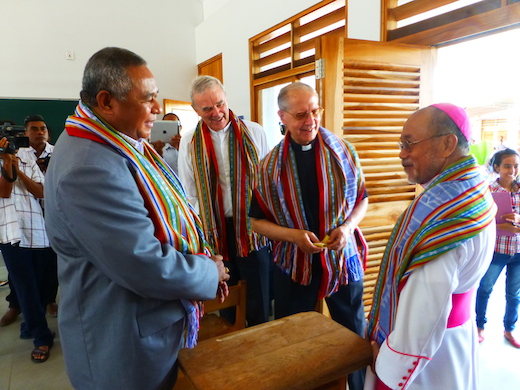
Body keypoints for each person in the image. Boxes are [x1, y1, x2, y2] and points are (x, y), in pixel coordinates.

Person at [44, 47, 229, 390]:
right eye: (148, 99)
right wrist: (208, 270)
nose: (157, 109)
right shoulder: (89, 166)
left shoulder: (112, 142)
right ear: (107, 102)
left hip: (144, 329)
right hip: (121, 346)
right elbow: (143, 263)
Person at [365, 103, 496, 390]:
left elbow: (424, 313)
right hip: (453, 336)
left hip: (430, 358)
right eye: (401, 144)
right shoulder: (472, 185)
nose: (402, 153)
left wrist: (389, 366)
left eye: (409, 144)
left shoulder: (444, 218)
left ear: (448, 143)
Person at [249, 82, 368, 390]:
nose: (311, 120)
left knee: (353, 331)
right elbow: (256, 223)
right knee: (293, 337)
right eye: (301, 113)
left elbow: (363, 200)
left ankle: (357, 387)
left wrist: (347, 227)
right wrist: (293, 236)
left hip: (342, 258)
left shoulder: (344, 151)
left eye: (315, 110)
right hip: (293, 263)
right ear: (282, 117)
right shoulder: (269, 167)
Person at [178, 75, 271, 326]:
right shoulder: (189, 142)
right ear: (196, 110)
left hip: (253, 228)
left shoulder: (254, 132)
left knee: (259, 293)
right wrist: (204, 232)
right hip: (215, 230)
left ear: (226, 99)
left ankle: (261, 341)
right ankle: (232, 340)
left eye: (219, 103)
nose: (217, 112)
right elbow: (189, 193)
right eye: (207, 108)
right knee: (225, 293)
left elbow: (266, 181)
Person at [0, 131, 55, 362]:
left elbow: (42, 192)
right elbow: (5, 191)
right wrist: (6, 161)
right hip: (10, 233)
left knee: (43, 284)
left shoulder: (26, 158)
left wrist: (16, 165)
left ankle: (31, 326)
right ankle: (41, 336)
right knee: (25, 286)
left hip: (38, 230)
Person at [476, 148, 520, 348]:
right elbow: (477, 222)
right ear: (497, 167)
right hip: (497, 250)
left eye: (516, 166)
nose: (512, 170)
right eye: (507, 165)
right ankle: (479, 327)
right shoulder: (488, 191)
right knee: (485, 288)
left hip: (518, 252)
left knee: (514, 294)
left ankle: (509, 329)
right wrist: (500, 226)